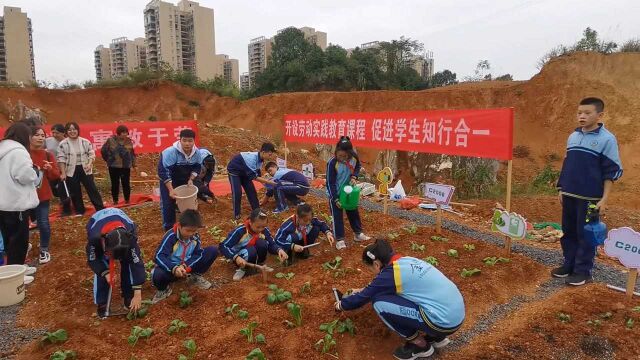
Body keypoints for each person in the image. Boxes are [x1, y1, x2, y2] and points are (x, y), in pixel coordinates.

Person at [335, 239, 465, 360]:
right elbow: (380, 285)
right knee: (409, 294)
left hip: (442, 322)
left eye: (370, 268)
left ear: (376, 264)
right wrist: (361, 289)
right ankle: (436, 337)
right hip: (456, 315)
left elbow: (364, 298)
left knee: (379, 303)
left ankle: (420, 345)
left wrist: (340, 305)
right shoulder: (406, 261)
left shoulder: (390, 274)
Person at [554, 97, 623, 286]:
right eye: (579, 113)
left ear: (599, 115)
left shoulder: (607, 139)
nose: (582, 116)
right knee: (568, 232)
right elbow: (567, 164)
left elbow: (610, 172)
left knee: (586, 234)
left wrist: (604, 199)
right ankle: (569, 264)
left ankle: (582, 271)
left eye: (587, 113)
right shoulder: (573, 136)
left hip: (590, 198)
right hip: (569, 195)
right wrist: (562, 188)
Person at [86, 208, 145, 319]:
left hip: (122, 224)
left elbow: (136, 261)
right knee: (103, 267)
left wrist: (137, 293)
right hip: (98, 223)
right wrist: (106, 273)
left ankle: (129, 295)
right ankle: (102, 302)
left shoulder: (130, 236)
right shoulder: (95, 238)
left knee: (128, 262)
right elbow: (93, 259)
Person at [0, 122, 40, 282]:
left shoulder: (3, 150)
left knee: (9, 238)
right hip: (16, 204)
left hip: (4, 204)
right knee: (19, 241)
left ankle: (16, 269)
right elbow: (24, 176)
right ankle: (16, 277)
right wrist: (35, 172)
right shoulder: (18, 152)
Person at [151, 209, 218, 303]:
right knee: (157, 274)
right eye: (188, 230)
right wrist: (174, 268)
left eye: (194, 231)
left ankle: (195, 276)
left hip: (186, 268)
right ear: (179, 226)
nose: (190, 234)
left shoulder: (195, 237)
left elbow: (197, 254)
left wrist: (185, 266)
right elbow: (159, 256)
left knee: (213, 250)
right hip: (172, 269)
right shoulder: (171, 236)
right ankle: (163, 289)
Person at [326, 136, 370, 250]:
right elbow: (330, 183)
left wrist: (354, 176)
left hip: (348, 190)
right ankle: (340, 240)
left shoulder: (354, 158)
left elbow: (358, 166)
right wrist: (335, 198)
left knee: (353, 211)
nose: (341, 158)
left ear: (349, 153)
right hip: (335, 193)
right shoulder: (332, 163)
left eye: (344, 156)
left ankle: (358, 234)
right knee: (337, 216)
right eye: (339, 155)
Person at [157, 129, 206, 231]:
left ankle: (190, 226)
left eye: (190, 141)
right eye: (184, 140)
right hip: (169, 181)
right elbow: (163, 172)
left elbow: (197, 167)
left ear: (194, 141)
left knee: (188, 203)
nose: (187, 143)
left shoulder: (197, 153)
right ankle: (169, 229)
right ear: (180, 140)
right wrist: (170, 189)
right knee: (168, 204)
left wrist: (191, 179)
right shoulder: (170, 152)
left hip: (184, 179)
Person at [220, 208, 288, 281]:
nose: (260, 230)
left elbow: (272, 243)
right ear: (250, 222)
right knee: (251, 251)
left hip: (252, 251)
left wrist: (279, 250)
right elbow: (223, 246)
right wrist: (235, 257)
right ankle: (243, 269)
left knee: (263, 243)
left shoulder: (264, 230)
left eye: (263, 227)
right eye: (258, 227)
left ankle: (259, 265)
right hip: (240, 256)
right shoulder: (240, 231)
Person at [29, 126, 61, 264]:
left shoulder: (48, 155)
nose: (41, 137)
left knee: (43, 223)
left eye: (43, 135)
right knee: (22, 224)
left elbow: (56, 175)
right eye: (37, 135)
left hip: (42, 195)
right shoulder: (22, 153)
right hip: (25, 196)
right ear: (29, 137)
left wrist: (50, 169)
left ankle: (44, 249)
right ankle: (23, 246)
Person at [57, 122, 104, 215]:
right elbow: (61, 159)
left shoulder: (85, 141)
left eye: (74, 129)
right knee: (75, 190)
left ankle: (100, 208)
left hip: (85, 168)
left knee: (92, 189)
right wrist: (63, 173)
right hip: (71, 170)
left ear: (78, 130)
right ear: (66, 132)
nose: (72, 131)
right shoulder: (63, 144)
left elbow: (91, 154)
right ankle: (79, 210)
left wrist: (90, 164)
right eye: (69, 130)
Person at [226, 143, 278, 220]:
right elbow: (254, 177)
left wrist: (266, 181)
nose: (270, 157)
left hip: (245, 173)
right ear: (263, 152)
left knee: (251, 191)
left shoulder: (261, 160)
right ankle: (236, 214)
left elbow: (258, 173)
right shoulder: (251, 158)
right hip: (234, 171)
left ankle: (257, 211)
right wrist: (268, 182)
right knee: (237, 192)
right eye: (269, 155)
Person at [100, 125, 136, 205]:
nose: (125, 134)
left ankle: (127, 200)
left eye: (126, 133)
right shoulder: (111, 140)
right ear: (119, 133)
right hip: (114, 166)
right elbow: (103, 151)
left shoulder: (129, 141)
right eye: (123, 132)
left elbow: (132, 153)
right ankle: (115, 201)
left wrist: (133, 163)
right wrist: (108, 160)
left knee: (126, 183)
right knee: (115, 183)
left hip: (125, 166)